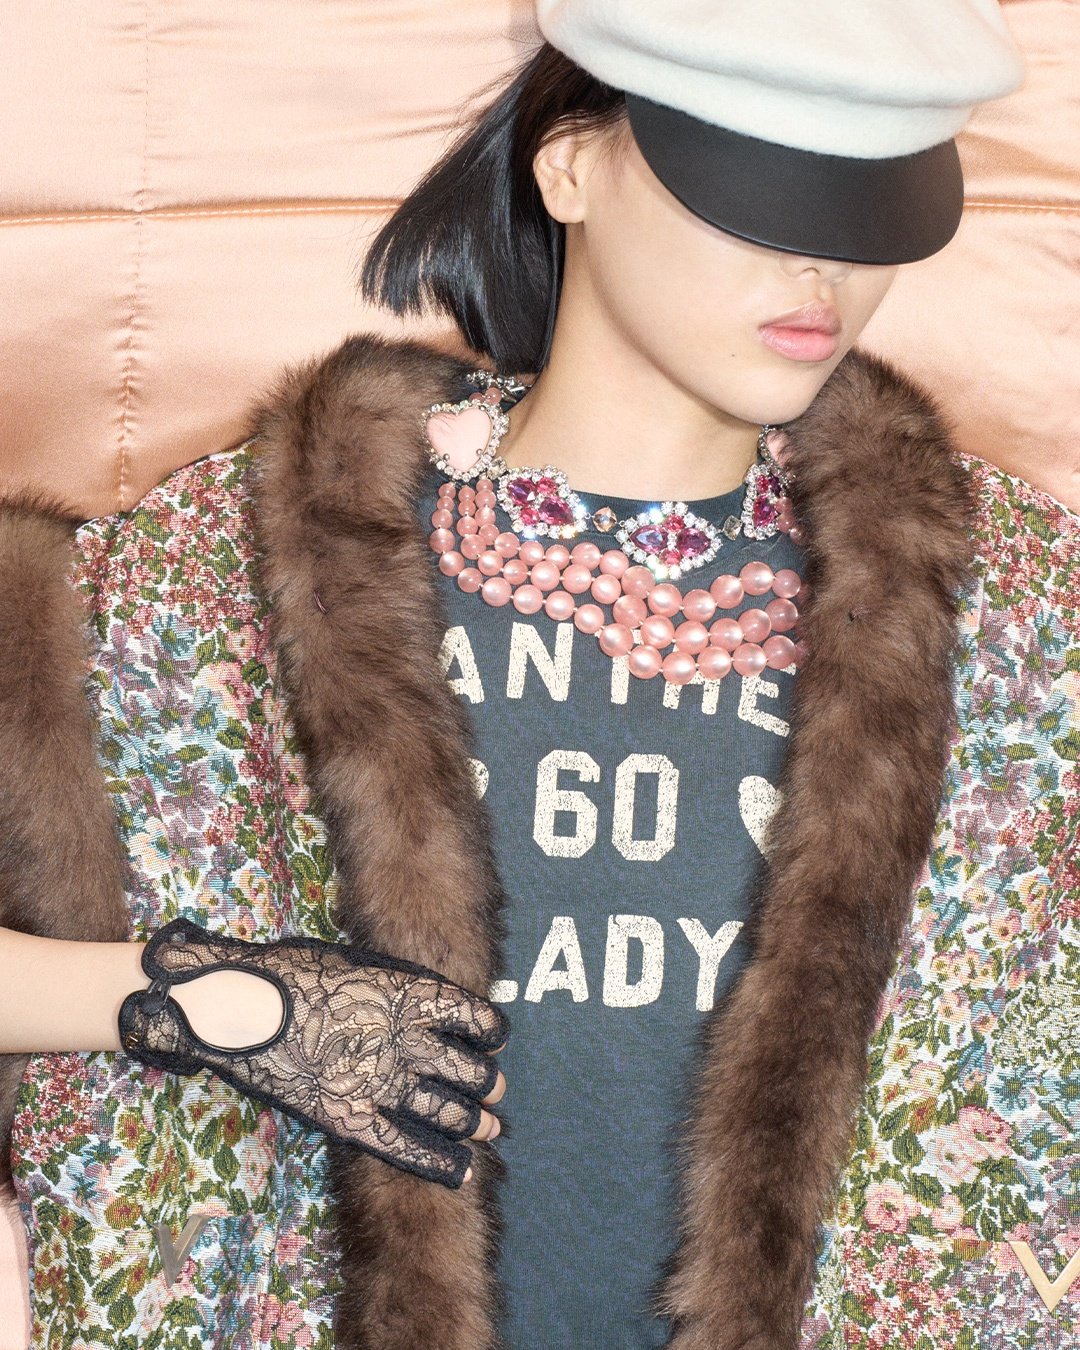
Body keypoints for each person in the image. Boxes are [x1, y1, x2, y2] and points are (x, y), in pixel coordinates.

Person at [1, 1, 1074, 1347]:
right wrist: (208, 1003)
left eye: (867, 205)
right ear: (570, 166)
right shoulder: (221, 582)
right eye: (753, 190)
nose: (820, 265)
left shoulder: (1018, 615)